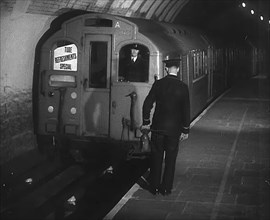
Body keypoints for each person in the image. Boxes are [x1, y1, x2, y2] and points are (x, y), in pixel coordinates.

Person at [141, 57, 190, 195]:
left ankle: (154, 187)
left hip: (157, 129)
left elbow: (147, 104)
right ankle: (166, 188)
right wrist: (185, 129)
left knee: (156, 158)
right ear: (178, 70)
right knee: (171, 160)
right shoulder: (183, 87)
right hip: (174, 131)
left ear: (166, 69)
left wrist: (146, 122)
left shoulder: (158, 84)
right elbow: (186, 110)